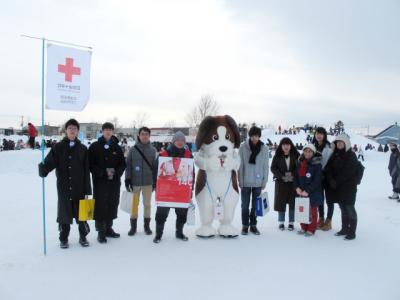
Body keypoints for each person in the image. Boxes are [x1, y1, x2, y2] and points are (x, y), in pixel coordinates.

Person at [38, 119, 92, 249]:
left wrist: (87, 190)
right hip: (64, 187)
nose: (72, 130)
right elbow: (50, 162)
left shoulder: (83, 149)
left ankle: (83, 236)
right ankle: (63, 238)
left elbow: (86, 171)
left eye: (75, 128)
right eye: (70, 128)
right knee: (64, 213)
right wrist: (43, 168)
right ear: (66, 130)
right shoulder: (58, 147)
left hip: (79, 187)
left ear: (78, 131)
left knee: (82, 213)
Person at [89, 122, 126, 243]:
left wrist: (116, 173)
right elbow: (90, 164)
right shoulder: (95, 146)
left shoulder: (117, 147)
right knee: (100, 205)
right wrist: (101, 172)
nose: (108, 132)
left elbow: (122, 164)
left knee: (111, 203)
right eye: (106, 129)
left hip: (114, 182)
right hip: (100, 182)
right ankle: (101, 231)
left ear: (113, 131)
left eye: (110, 129)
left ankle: (109, 228)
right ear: (102, 131)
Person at [153, 132, 193, 243]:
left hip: (182, 189)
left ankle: (179, 232)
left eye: (182, 140)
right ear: (173, 141)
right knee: (161, 214)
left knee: (182, 213)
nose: (180, 142)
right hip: (166, 190)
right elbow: (156, 171)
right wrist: (155, 186)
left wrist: (191, 189)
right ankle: (158, 234)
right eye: (177, 140)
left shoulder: (188, 155)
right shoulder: (163, 154)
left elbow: (191, 173)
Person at [325, 134, 359, 240]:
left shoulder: (351, 155)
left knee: (349, 207)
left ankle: (352, 232)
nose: (339, 144)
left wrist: (336, 181)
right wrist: (330, 179)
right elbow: (328, 168)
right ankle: (344, 229)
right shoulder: (334, 154)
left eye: (341, 142)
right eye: (337, 143)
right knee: (342, 207)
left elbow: (349, 171)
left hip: (349, 187)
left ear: (346, 143)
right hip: (337, 187)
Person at [125, 127, 158, 236]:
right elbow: (128, 165)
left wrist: (155, 182)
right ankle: (133, 227)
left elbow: (156, 168)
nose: (144, 136)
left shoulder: (153, 150)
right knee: (134, 205)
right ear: (139, 135)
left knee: (147, 205)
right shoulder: (133, 149)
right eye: (142, 134)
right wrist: (127, 179)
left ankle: (147, 226)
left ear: (149, 136)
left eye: (146, 134)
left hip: (148, 183)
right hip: (135, 182)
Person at [238, 126, 269, 235]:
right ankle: (245, 225)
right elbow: (240, 166)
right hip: (245, 181)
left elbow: (266, 166)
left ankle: (253, 225)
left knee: (256, 206)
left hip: (258, 182)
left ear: (259, 136)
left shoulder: (264, 148)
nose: (255, 138)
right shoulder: (243, 147)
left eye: (257, 136)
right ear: (250, 136)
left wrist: (264, 181)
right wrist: (240, 181)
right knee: (245, 205)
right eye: (253, 136)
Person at [271, 137, 299, 231]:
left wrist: (292, 176)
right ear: (281, 146)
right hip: (281, 183)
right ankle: (281, 222)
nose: (286, 146)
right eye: (284, 145)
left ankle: (291, 223)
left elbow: (299, 168)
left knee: (292, 203)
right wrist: (281, 176)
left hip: (292, 183)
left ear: (291, 146)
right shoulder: (277, 156)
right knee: (281, 203)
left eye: (287, 144)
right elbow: (273, 168)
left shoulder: (296, 155)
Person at [295, 144, 323, 237]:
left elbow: (317, 180)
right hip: (301, 192)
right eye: (305, 151)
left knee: (312, 212)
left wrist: (308, 190)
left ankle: (311, 229)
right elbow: (296, 177)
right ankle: (303, 227)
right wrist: (297, 187)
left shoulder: (317, 164)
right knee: (302, 211)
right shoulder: (300, 163)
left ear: (313, 152)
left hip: (313, 193)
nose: (307, 153)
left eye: (310, 151)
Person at [311, 127, 333, 231]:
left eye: (321, 134)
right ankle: (321, 218)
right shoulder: (312, 146)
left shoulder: (329, 146)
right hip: (316, 177)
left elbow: (331, 162)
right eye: (317, 134)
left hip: (327, 176)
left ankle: (328, 221)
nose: (319, 136)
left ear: (324, 135)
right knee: (319, 198)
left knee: (329, 199)